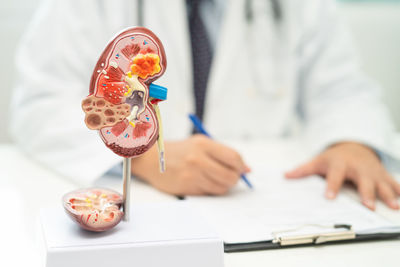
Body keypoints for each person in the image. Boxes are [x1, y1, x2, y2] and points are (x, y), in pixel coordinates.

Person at [10, 0, 400, 210]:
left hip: (261, 204)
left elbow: (342, 90)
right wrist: (143, 154)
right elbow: (41, 104)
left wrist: (351, 142)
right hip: (143, 206)